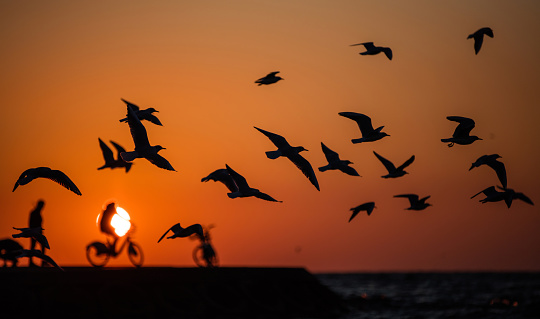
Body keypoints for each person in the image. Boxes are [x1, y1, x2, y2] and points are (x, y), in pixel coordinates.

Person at [28, 200, 45, 266]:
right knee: (33, 247)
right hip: (34, 232)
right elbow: (30, 223)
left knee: (41, 246)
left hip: (38, 232)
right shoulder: (34, 213)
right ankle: (31, 262)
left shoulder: (37, 213)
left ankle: (42, 261)